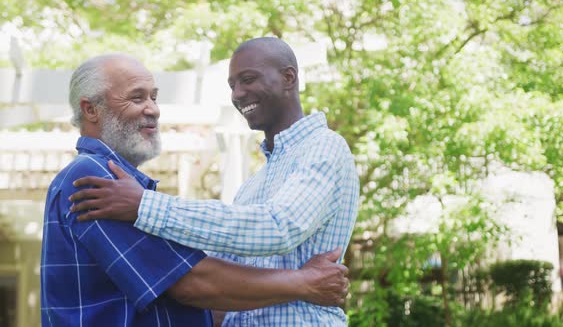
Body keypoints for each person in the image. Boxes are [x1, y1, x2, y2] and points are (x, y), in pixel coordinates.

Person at [41, 53, 350, 327]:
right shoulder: (95, 177)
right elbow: (191, 283)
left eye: (154, 97)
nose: (153, 110)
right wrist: (304, 283)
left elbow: (223, 269)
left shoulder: (320, 148)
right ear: (91, 110)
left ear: (289, 77)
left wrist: (145, 204)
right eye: (137, 98)